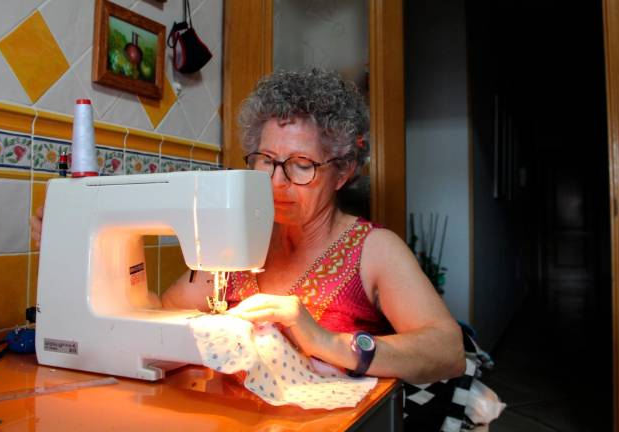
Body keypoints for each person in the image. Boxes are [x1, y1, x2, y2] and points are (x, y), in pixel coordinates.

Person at [31, 68, 465, 384]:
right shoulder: (238, 243)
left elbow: (448, 351)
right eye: (266, 161)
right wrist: (74, 255)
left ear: (343, 171)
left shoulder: (374, 250)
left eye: (301, 166)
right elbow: (156, 317)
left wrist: (329, 342)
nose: (276, 182)